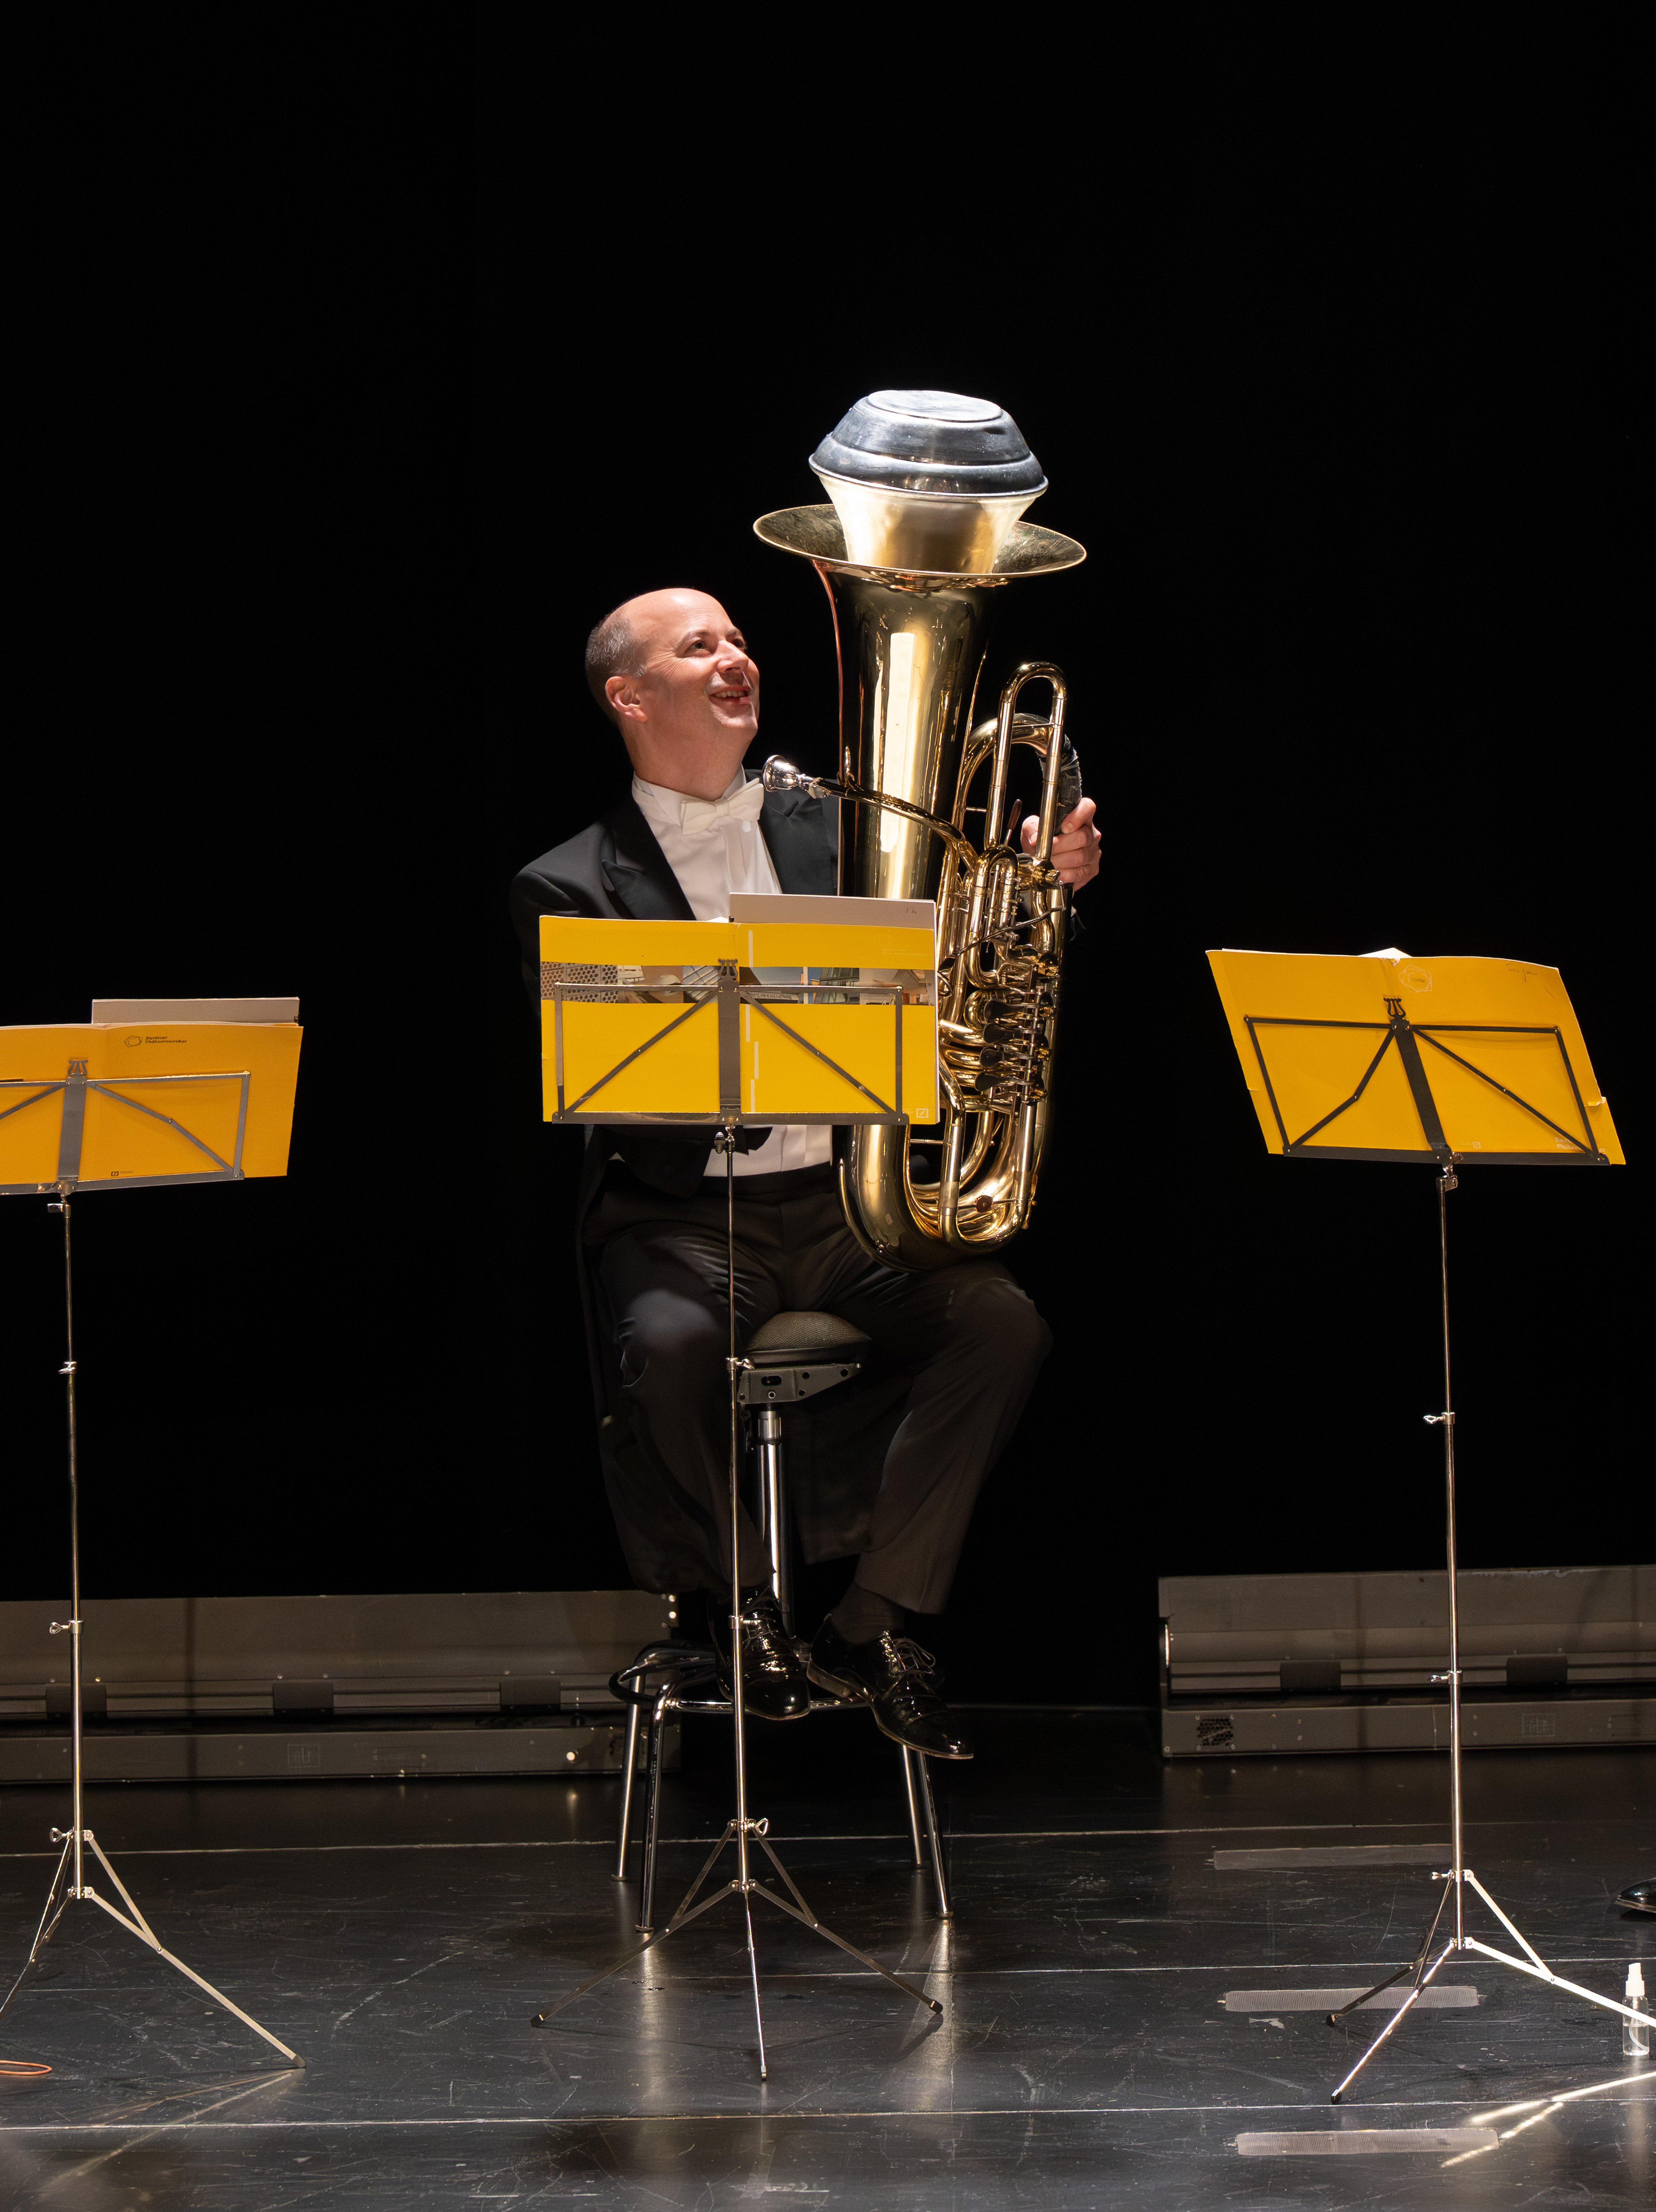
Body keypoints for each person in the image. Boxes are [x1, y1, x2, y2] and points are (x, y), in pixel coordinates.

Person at [511, 588, 1100, 1759]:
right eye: (699, 647)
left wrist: (1043, 886)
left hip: (842, 1208)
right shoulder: (568, 882)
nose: (736, 657)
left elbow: (971, 960)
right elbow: (610, 1091)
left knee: (1001, 1325)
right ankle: (737, 1615)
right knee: (668, 1345)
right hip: (684, 1214)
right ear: (630, 696)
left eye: (737, 639)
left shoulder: (845, 828)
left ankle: (872, 1624)